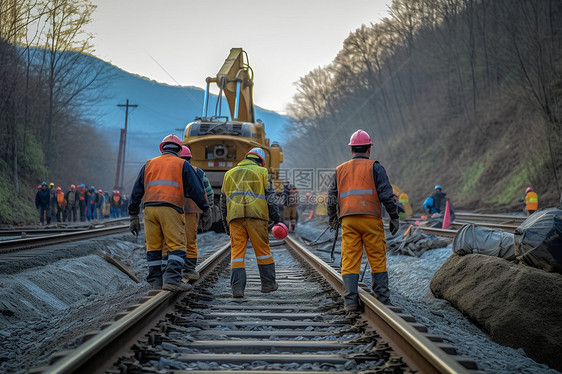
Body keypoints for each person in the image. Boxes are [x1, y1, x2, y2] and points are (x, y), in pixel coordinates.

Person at [327, 129, 399, 309]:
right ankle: (382, 298)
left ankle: (351, 300)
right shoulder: (376, 167)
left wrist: (332, 218)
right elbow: (387, 195)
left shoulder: (339, 170)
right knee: (377, 257)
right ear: (369, 149)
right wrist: (394, 217)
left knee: (350, 258)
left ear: (351, 150)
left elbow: (331, 197)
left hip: (348, 220)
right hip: (371, 219)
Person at [128, 134, 209, 291]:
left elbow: (136, 191)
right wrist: (205, 208)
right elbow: (196, 190)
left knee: (154, 246)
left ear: (162, 149)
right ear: (179, 150)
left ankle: (155, 281)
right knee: (176, 245)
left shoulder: (149, 164)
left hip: (149, 210)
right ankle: (172, 279)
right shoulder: (181, 164)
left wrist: (133, 216)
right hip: (170, 208)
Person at [220, 147, 280, 298]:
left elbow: (222, 201)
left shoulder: (229, 174)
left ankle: (237, 289)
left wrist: (226, 223)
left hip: (235, 218)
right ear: (260, 161)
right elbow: (270, 196)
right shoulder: (262, 172)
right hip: (257, 217)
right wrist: (276, 216)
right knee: (262, 251)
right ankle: (268, 284)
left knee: (237, 254)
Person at [179, 145, 213, 280]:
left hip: (173, 210)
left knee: (172, 240)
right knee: (190, 240)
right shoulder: (197, 172)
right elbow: (208, 190)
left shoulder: (172, 170)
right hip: (192, 210)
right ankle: (188, 270)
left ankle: (170, 270)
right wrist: (208, 207)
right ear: (190, 159)